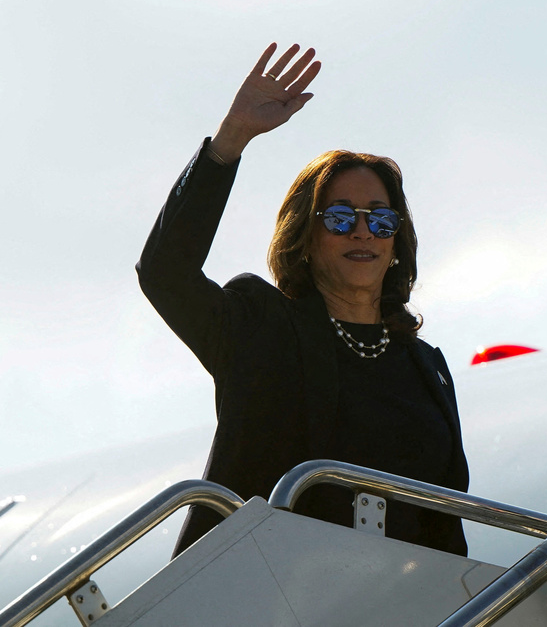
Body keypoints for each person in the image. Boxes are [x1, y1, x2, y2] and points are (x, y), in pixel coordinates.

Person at [137, 43, 469, 557]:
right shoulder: (258, 326)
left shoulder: (427, 368)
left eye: (380, 220)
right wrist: (231, 139)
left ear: (395, 243)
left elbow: (445, 527)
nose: (363, 232)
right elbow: (165, 273)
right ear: (306, 239)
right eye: (340, 218)